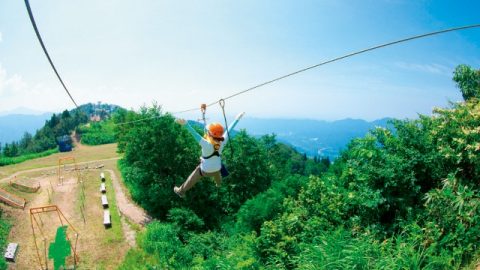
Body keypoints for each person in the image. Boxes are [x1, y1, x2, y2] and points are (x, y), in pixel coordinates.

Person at [174, 112, 245, 198]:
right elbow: (229, 130)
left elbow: (195, 134)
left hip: (205, 171)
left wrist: (186, 124)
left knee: (192, 177)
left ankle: (181, 191)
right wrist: (237, 119)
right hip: (217, 169)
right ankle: (218, 184)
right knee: (217, 170)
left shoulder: (206, 144)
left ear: (210, 134)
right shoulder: (223, 141)